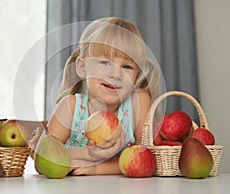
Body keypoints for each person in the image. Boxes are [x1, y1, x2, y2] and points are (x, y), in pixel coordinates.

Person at [46, 17, 160, 175]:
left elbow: (149, 158)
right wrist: (88, 153)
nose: (115, 74)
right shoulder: (71, 106)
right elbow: (43, 160)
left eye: (127, 66)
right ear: (82, 67)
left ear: (136, 77)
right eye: (105, 63)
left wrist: (97, 168)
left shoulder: (137, 103)